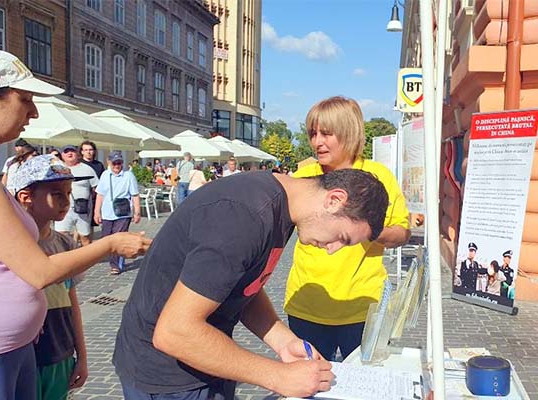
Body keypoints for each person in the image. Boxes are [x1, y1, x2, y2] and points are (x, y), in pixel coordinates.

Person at [113, 168, 389, 399]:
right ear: (334, 200)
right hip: (167, 378)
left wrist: (283, 341)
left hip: (206, 364)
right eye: (342, 237)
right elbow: (174, 332)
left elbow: (239, 284)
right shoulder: (244, 216)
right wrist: (276, 376)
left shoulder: (282, 209)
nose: (334, 249)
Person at [0, 47, 151, 400]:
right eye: (24, 99)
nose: (33, 111)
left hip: (14, 344)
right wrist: (110, 244)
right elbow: (37, 271)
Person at [284, 96, 411, 361]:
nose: (317, 142)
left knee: (365, 386)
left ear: (349, 132)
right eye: (313, 133)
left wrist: (367, 232)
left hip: (363, 308)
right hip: (307, 306)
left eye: (327, 134)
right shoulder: (303, 178)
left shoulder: (378, 178)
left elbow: (402, 233)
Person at [13, 155, 90, 399]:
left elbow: (72, 302)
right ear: (26, 198)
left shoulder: (66, 244)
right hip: (25, 357)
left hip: (61, 352)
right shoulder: (13, 246)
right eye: (56, 193)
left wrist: (82, 356)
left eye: (68, 193)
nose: (65, 201)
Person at [94, 151, 142, 275]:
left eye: (119, 162)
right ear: (109, 162)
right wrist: (96, 212)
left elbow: (135, 195)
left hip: (123, 212)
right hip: (107, 212)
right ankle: (113, 260)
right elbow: (100, 194)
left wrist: (137, 211)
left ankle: (116, 265)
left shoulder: (129, 176)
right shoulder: (105, 175)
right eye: (114, 163)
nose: (117, 165)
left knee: (119, 238)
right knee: (106, 238)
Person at [55, 144, 99, 247]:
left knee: (85, 237)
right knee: (61, 236)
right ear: (62, 155)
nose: (70, 153)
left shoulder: (87, 169)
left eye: (72, 151)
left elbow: (97, 189)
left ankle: (87, 262)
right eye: (67, 152)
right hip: (62, 209)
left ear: (77, 154)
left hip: (82, 210)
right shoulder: (56, 169)